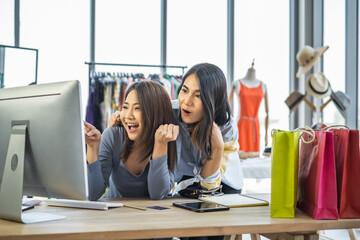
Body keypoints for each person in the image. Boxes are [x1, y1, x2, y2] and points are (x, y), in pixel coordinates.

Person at [109, 63, 243, 195]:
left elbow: (208, 186)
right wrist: (120, 122)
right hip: (186, 184)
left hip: (222, 185)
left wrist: (218, 146)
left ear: (214, 99)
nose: (186, 101)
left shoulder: (225, 125)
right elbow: (141, 127)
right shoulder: (171, 112)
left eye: (198, 96)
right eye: (184, 90)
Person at [85, 80, 179, 201]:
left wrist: (160, 144)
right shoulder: (113, 136)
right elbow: (93, 194)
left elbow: (158, 193)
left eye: (137, 108)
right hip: (116, 215)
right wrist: (92, 146)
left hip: (152, 216)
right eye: (125, 107)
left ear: (156, 113)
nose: (128, 115)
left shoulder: (170, 139)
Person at [228, 61, 269, 159]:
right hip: (241, 124)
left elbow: (267, 112)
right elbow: (227, 106)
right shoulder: (237, 84)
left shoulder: (263, 86)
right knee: (239, 156)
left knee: (254, 159)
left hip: (255, 126)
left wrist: (266, 134)